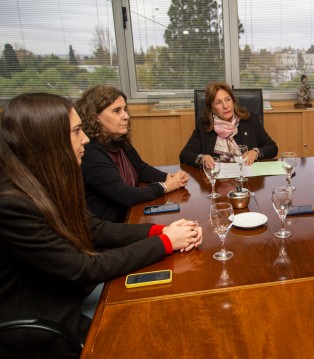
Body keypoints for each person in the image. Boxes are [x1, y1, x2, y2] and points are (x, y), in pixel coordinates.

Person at [0, 93, 203, 358]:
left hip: (71, 293)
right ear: (47, 141)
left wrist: (161, 231)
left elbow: (96, 228)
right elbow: (85, 268)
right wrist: (165, 243)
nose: (85, 138)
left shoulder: (49, 179)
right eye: (76, 131)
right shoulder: (13, 204)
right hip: (47, 323)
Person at [75, 85, 189, 223]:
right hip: (111, 228)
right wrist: (166, 186)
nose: (126, 116)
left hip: (130, 214)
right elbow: (125, 195)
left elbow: (141, 169)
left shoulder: (117, 139)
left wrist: (170, 177)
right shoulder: (89, 152)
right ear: (95, 117)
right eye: (117, 111)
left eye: (125, 110)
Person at [179, 82, 278, 168]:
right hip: (218, 182)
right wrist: (202, 158)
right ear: (212, 108)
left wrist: (256, 152)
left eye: (228, 99)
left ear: (233, 101)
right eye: (218, 102)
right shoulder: (204, 126)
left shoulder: (250, 120)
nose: (225, 106)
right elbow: (184, 155)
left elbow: (272, 148)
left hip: (248, 179)